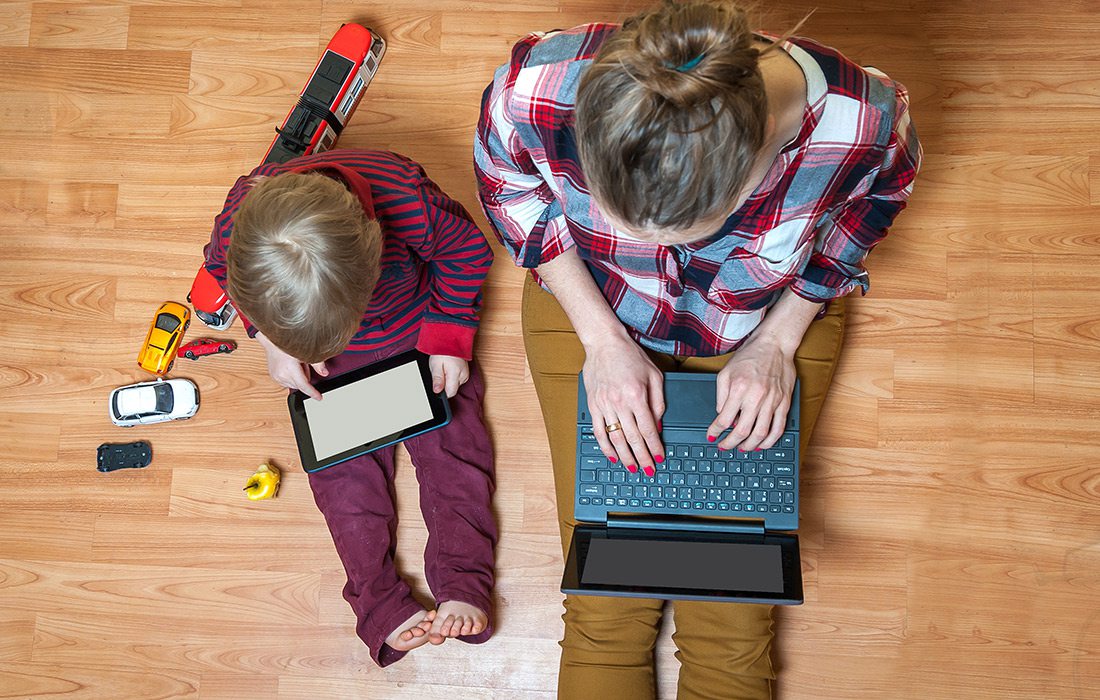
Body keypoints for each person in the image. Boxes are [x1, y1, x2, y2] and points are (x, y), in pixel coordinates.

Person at [474, 0, 920, 697]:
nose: (649, 249)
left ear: (755, 169)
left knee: (733, 622)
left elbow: (880, 198)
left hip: (764, 324)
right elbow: (511, 193)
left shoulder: (861, 118)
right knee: (605, 605)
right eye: (624, 222)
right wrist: (601, 340)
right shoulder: (535, 84)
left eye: (674, 234)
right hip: (589, 309)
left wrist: (779, 339)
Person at [202, 149, 497, 667]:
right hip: (334, 369)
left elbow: (468, 253)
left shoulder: (406, 196)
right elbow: (217, 269)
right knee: (344, 486)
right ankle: (378, 604)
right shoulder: (235, 228)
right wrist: (270, 341)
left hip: (419, 343)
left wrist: (450, 336)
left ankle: (463, 579)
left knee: (456, 455)